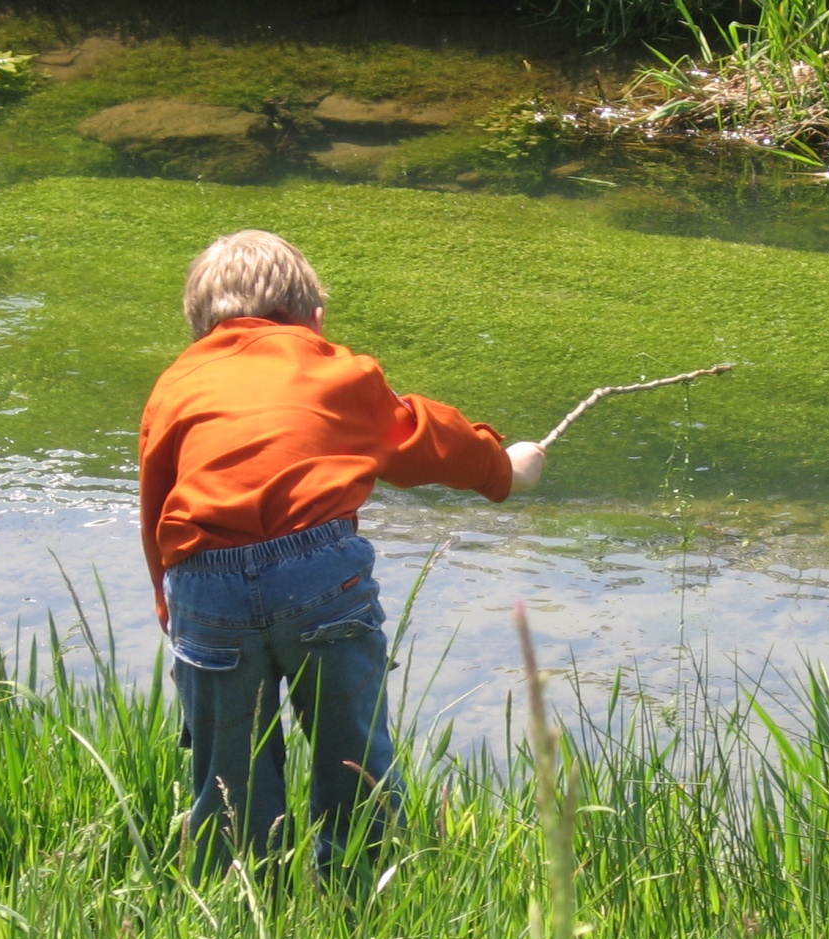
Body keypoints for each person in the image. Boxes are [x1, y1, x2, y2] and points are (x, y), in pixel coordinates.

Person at [138, 229, 545, 879]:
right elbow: (425, 436)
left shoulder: (174, 386)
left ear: (200, 328)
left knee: (228, 780)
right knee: (354, 760)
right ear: (316, 319)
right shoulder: (335, 370)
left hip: (204, 582)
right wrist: (506, 468)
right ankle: (361, 901)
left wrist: (173, 611)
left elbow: (156, 508)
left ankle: (245, 915)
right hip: (317, 571)